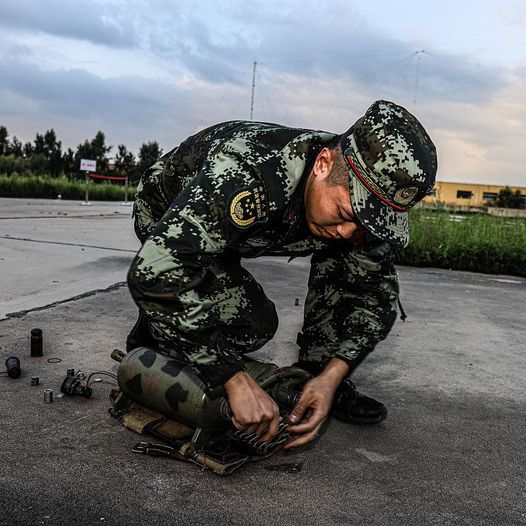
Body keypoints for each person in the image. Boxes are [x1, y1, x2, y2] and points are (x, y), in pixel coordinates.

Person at [127, 100, 437, 448]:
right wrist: (231, 377)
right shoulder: (250, 171)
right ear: (323, 163)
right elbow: (155, 269)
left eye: (365, 221)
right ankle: (156, 330)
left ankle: (312, 376)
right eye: (347, 212)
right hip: (171, 213)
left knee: (348, 260)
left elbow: (376, 299)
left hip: (244, 229)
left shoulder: (359, 199)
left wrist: (332, 376)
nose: (351, 230)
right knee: (250, 326)